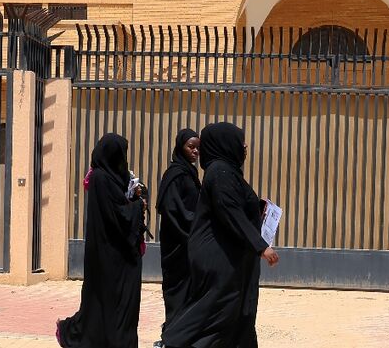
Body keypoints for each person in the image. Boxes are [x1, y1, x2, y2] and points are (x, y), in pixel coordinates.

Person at [162, 122, 279, 348]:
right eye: (239, 140)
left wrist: (258, 207)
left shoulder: (227, 172)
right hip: (220, 258)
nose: (244, 146)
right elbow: (229, 210)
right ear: (225, 143)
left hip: (229, 256)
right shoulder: (219, 172)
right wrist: (260, 246)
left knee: (235, 316)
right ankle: (175, 341)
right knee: (218, 314)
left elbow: (236, 203)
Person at [57, 133, 147, 348]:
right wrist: (137, 206)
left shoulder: (113, 176)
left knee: (119, 302)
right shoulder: (101, 178)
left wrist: (136, 194)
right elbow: (116, 214)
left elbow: (122, 204)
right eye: (120, 154)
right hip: (109, 254)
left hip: (118, 253)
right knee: (107, 300)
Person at [155, 129, 202, 343]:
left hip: (190, 243)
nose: (195, 151)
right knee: (176, 292)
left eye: (198, 147)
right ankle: (171, 335)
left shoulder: (190, 173)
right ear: (180, 147)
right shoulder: (175, 174)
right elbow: (173, 210)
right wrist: (196, 225)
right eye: (191, 146)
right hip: (177, 244)